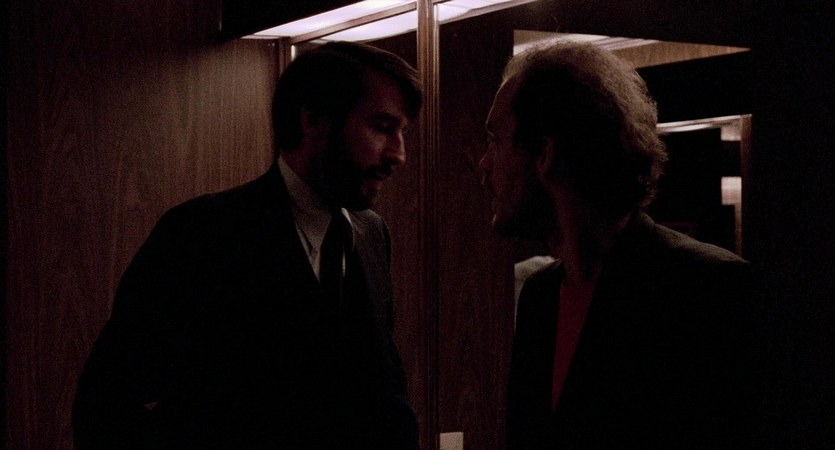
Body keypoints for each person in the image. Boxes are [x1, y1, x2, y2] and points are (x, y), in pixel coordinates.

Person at [73, 41, 422, 449]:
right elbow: (105, 406)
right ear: (314, 121)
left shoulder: (371, 234)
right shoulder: (202, 235)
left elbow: (384, 396)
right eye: (382, 128)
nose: (399, 154)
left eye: (402, 132)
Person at [479, 41, 764, 448]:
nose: (484, 164)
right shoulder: (539, 298)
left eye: (495, 141)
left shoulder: (707, 290)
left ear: (544, 153)